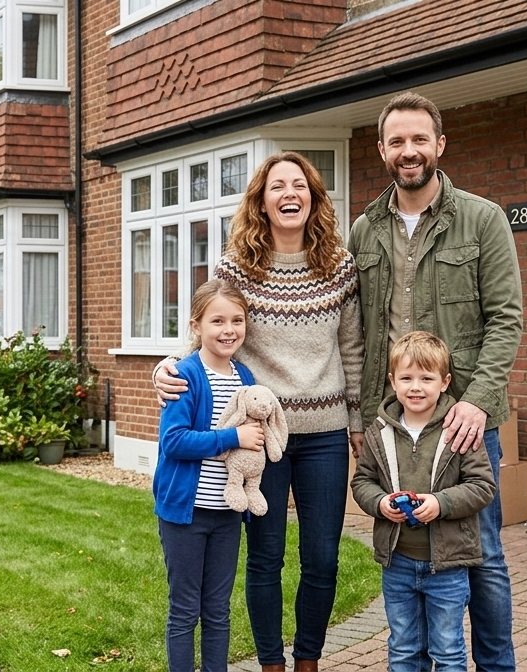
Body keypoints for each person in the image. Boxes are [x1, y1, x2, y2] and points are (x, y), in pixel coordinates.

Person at [154, 151, 364, 672]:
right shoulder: (236, 266)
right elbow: (211, 325)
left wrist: (356, 421)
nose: (289, 194)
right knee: (266, 558)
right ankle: (270, 662)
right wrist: (169, 365)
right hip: (257, 436)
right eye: (277, 187)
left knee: (322, 558)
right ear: (261, 202)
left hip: (324, 434)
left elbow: (354, 349)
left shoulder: (339, 267)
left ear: (314, 198)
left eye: (300, 185)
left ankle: (308, 660)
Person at [347, 91, 523, 672]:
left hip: (466, 422)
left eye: (419, 139)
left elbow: (507, 319)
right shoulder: (364, 230)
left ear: (440, 145)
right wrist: (360, 419)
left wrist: (474, 402)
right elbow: (351, 327)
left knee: (484, 554)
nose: (409, 151)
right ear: (381, 150)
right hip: (392, 423)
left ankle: (496, 666)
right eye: (396, 141)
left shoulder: (482, 218)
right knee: (403, 540)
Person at [351, 331, 495, 671]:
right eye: (406, 378)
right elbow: (362, 481)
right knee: (403, 649)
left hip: (447, 566)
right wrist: (381, 503)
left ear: (444, 382)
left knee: (447, 651)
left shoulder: (459, 430)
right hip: (397, 563)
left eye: (426, 378)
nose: (416, 387)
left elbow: (482, 485)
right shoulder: (379, 431)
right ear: (392, 381)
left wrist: (440, 503)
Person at [153, 279, 265, 672]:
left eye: (237, 320)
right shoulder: (185, 375)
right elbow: (174, 442)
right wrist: (233, 436)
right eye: (217, 320)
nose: (229, 329)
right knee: (185, 609)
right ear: (196, 325)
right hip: (186, 513)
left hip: (227, 512)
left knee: (218, 609)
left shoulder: (246, 378)